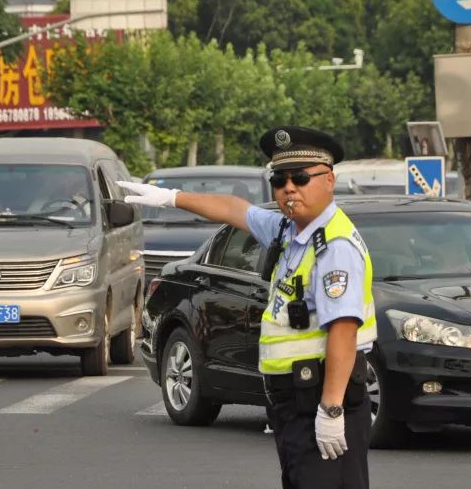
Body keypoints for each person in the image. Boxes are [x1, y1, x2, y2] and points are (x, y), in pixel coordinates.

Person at [119, 126, 376, 489]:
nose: (290, 188)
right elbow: (236, 210)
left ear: (329, 180)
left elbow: (344, 330)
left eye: (301, 178)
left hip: (320, 400)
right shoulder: (291, 231)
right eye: (280, 179)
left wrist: (331, 409)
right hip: (294, 401)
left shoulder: (333, 247)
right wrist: (171, 198)